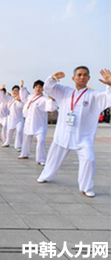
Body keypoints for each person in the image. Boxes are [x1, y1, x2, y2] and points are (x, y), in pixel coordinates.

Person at [37, 67, 111, 198]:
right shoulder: (64, 91)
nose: (82, 77)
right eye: (79, 75)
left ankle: (86, 187)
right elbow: (48, 89)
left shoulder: (93, 95)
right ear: (73, 78)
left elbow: (108, 98)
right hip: (63, 134)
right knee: (53, 159)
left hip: (83, 137)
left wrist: (110, 84)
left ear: (88, 78)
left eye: (85, 75)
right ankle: (46, 176)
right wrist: (52, 78)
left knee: (89, 159)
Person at [18, 80, 57, 165]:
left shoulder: (44, 99)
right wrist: (22, 87)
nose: (38, 89)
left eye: (40, 87)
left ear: (42, 89)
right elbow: (23, 97)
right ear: (34, 88)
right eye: (36, 87)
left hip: (40, 124)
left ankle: (41, 159)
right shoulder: (30, 97)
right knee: (26, 139)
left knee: (41, 141)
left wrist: (52, 100)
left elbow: (50, 107)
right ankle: (24, 154)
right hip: (29, 122)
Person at [1, 83, 24, 151]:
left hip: (19, 119)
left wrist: (19, 100)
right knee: (9, 131)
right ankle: (7, 142)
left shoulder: (22, 99)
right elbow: (4, 99)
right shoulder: (11, 99)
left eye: (16, 90)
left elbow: (22, 106)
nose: (15, 92)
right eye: (13, 90)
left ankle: (18, 145)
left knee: (19, 131)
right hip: (11, 119)